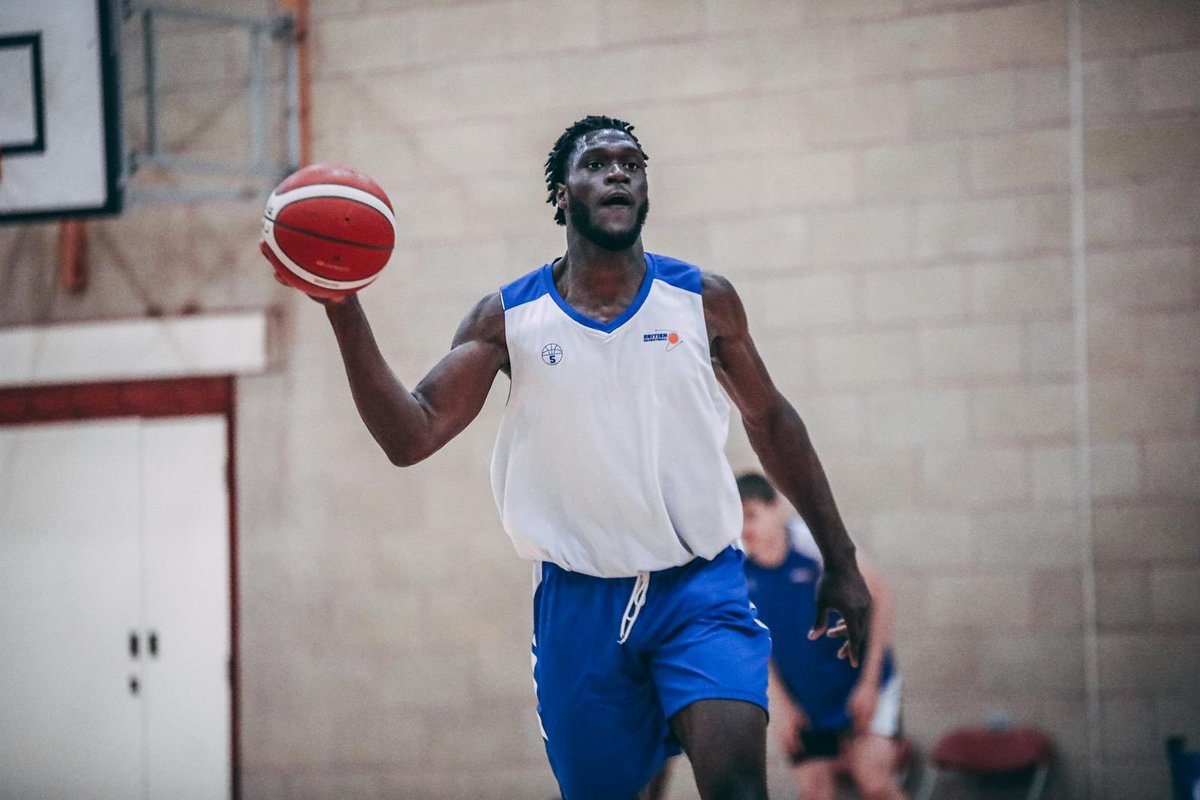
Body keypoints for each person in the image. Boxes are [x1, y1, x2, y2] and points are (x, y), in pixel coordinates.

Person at [268, 114, 871, 800]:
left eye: (632, 163)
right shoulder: (508, 319)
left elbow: (771, 418)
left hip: (700, 590)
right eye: (597, 163)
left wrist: (840, 558)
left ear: (644, 189)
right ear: (561, 193)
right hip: (578, 605)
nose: (618, 172)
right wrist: (341, 305)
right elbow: (411, 435)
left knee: (737, 788)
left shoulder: (703, 302)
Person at [737, 472, 904, 800]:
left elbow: (879, 596)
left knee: (874, 784)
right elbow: (752, 643)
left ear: (777, 509)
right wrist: (781, 705)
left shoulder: (814, 545)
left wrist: (869, 685)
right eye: (736, 520)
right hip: (805, 699)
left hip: (860, 684)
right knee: (814, 791)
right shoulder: (738, 569)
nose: (745, 529)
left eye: (751, 516)